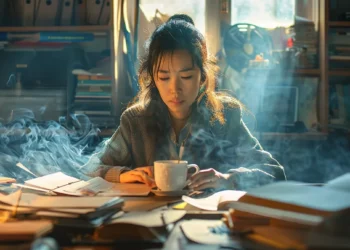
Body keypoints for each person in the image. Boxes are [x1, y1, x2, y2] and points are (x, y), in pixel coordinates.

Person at [81, 16, 286, 191]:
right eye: (163, 78)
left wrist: (228, 179)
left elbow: (274, 172)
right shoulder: (136, 120)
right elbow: (91, 168)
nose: (175, 89)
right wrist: (124, 175)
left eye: (186, 77)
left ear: (203, 77)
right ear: (153, 78)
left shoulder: (225, 115)